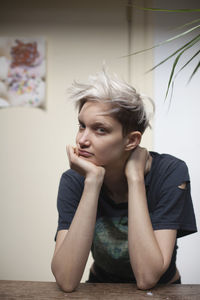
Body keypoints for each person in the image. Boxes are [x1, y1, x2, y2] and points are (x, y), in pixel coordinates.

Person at [51, 69, 197, 292]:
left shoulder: (170, 172)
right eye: (82, 125)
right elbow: (67, 280)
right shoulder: (75, 180)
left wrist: (135, 178)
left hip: (163, 292)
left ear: (131, 140)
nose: (81, 140)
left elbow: (147, 278)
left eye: (100, 130)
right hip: (100, 288)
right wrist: (92, 182)